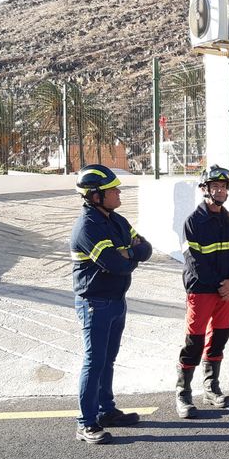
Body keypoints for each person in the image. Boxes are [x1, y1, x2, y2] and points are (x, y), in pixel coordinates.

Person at [70, 164, 152, 444]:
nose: (118, 193)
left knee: (108, 360)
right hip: (95, 303)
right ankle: (86, 423)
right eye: (112, 190)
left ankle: (106, 410)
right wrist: (130, 254)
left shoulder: (116, 221)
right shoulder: (87, 226)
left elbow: (146, 249)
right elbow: (116, 264)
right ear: (95, 196)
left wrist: (127, 253)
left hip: (116, 300)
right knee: (94, 362)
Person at [175, 166, 229, 418]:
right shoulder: (192, 222)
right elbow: (194, 262)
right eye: (215, 186)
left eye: (224, 186)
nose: (220, 190)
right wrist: (222, 284)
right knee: (194, 342)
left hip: (225, 292)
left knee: (219, 338)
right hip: (202, 290)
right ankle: (183, 393)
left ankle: (211, 387)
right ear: (204, 189)